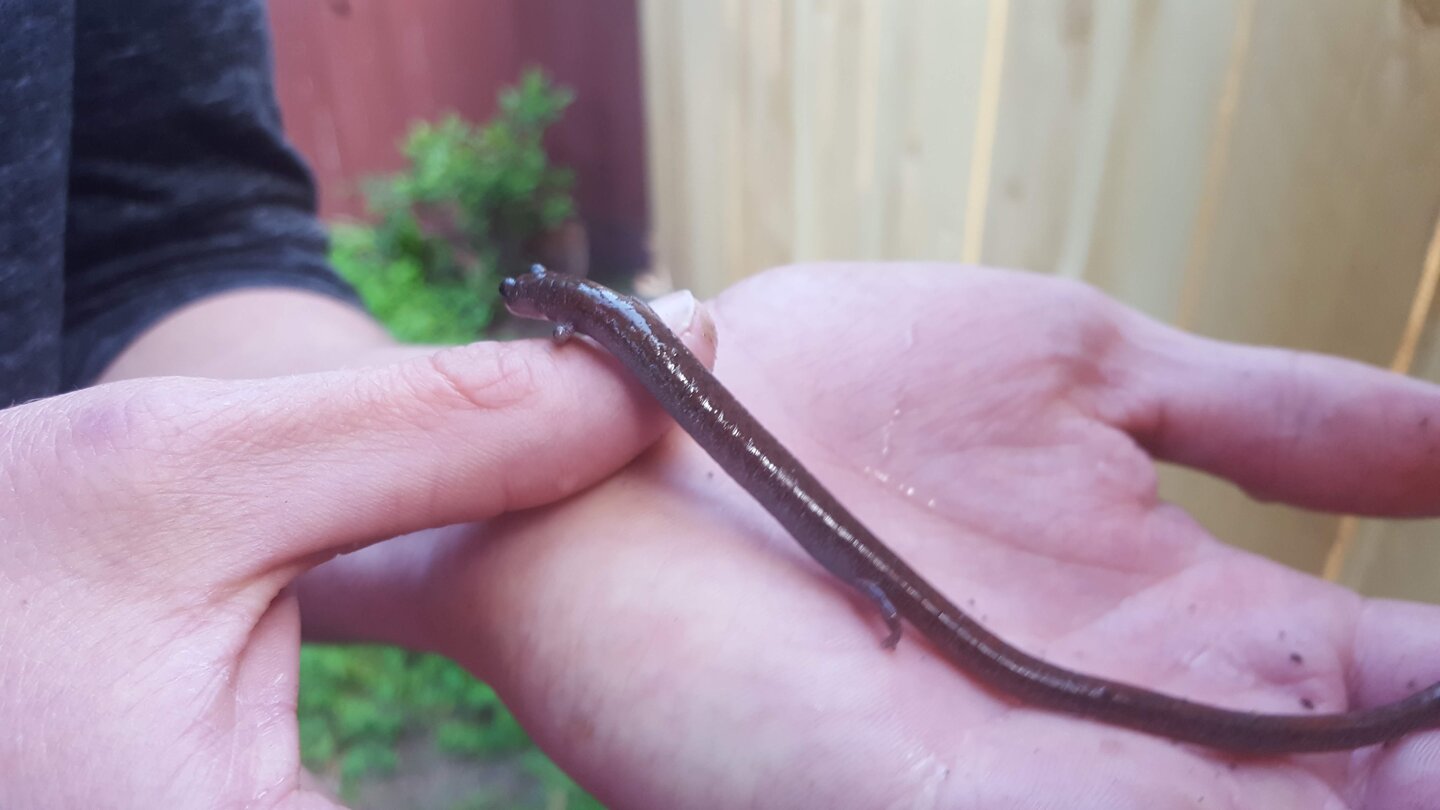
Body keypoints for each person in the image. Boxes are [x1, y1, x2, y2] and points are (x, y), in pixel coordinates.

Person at [4, 3, 1440, 808]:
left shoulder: (620, 343)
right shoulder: (612, 338)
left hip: (843, 539)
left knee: (998, 648)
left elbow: (163, 244)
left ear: (573, 316)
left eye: (542, 305)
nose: (528, 311)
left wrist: (500, 515)